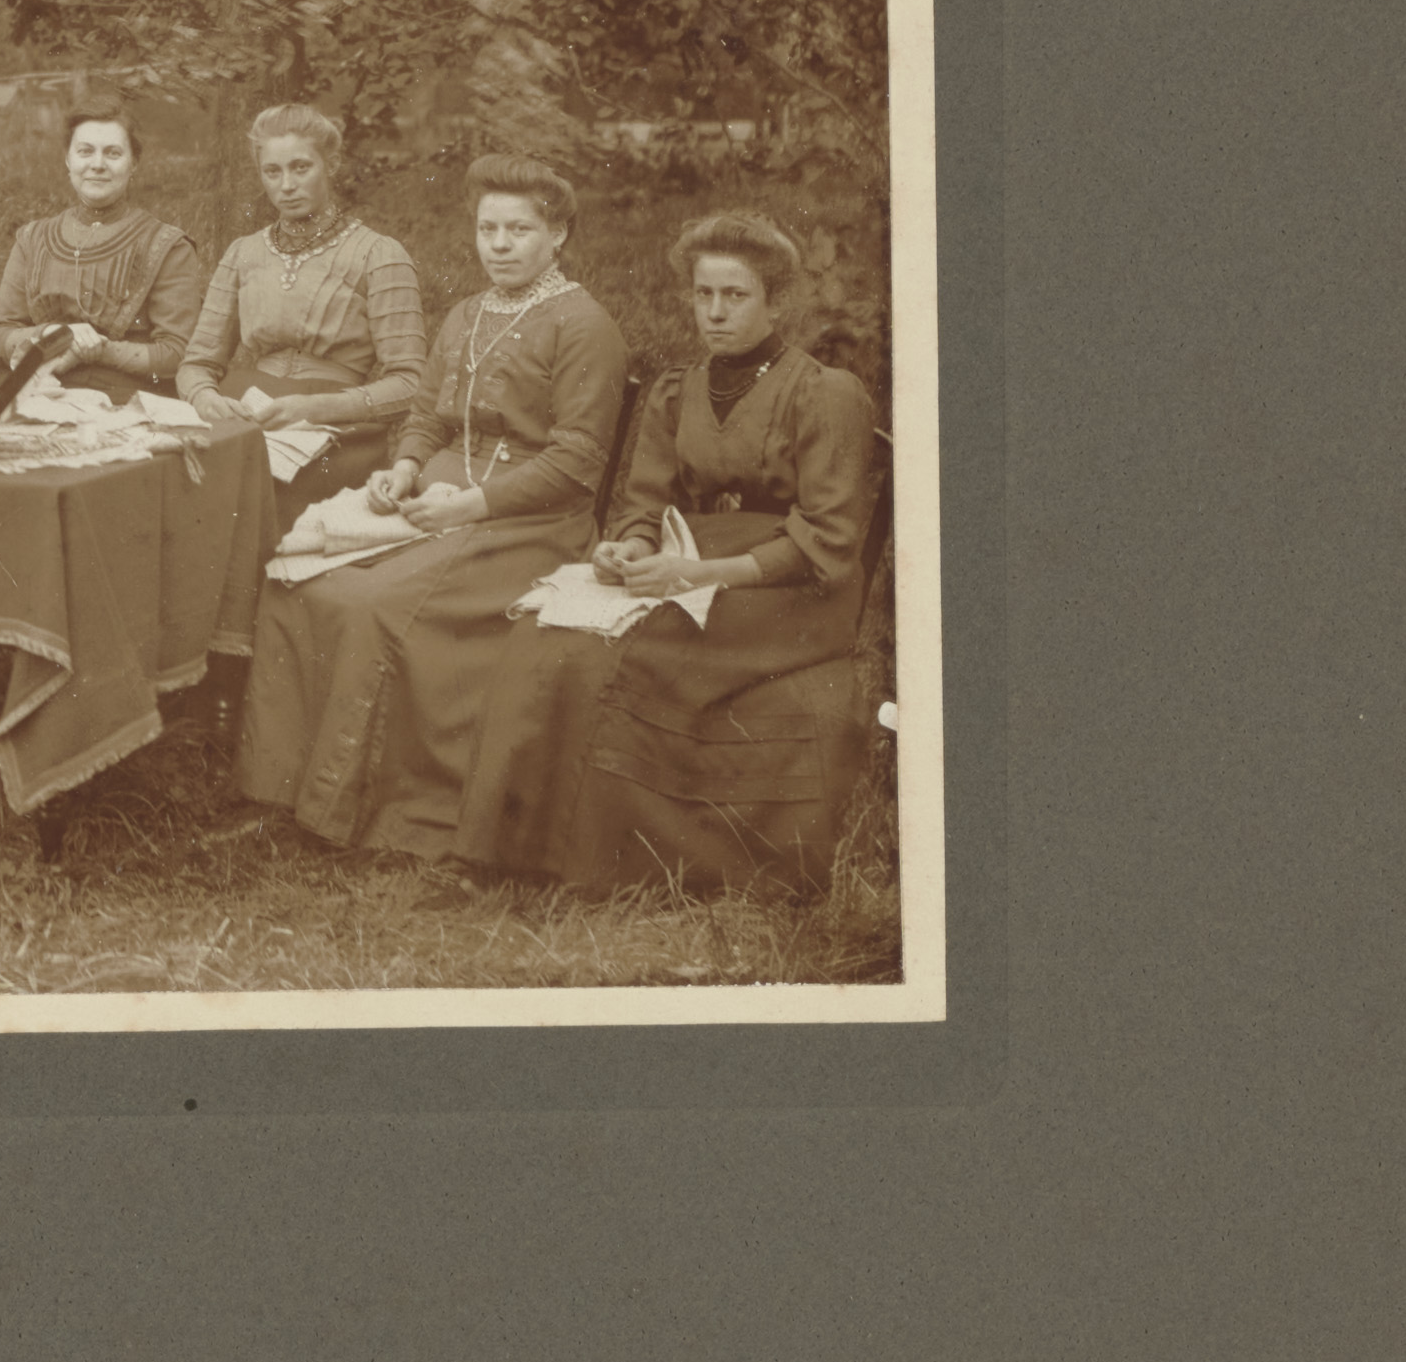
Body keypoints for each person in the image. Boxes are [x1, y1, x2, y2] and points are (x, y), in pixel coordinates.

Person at [233, 157, 630, 850]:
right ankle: (278, 790)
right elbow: (425, 416)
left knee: (369, 604)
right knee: (295, 579)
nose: (498, 245)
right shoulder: (467, 314)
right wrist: (403, 468)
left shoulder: (583, 325)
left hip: (525, 521)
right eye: (486, 229)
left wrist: (469, 506)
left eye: (518, 230)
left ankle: (344, 807)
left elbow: (575, 464)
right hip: (432, 497)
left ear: (557, 234)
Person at [479, 211, 880, 895]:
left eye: (736, 295)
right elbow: (644, 500)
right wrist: (628, 547)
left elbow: (826, 541)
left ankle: (610, 863)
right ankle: (526, 848)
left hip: (785, 592)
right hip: (686, 565)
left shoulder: (824, 392)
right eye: (703, 294)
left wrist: (694, 574)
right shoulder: (676, 389)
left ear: (775, 303)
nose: (715, 312)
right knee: (543, 633)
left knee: (618, 652)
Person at [176, 103, 428, 510]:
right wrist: (204, 397)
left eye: (301, 168)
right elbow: (197, 363)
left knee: (258, 494)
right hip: (247, 414)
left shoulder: (379, 255)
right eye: (272, 172)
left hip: (334, 428)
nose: (287, 185)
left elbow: (411, 384)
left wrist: (315, 407)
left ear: (332, 165)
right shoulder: (243, 253)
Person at [0, 95, 204, 402]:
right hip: (36, 393)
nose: (97, 165)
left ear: (134, 163)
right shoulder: (33, 239)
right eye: (85, 151)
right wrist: (50, 334)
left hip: (125, 400)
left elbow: (178, 354)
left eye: (113, 153)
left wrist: (98, 350)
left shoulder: (167, 245)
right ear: (68, 160)